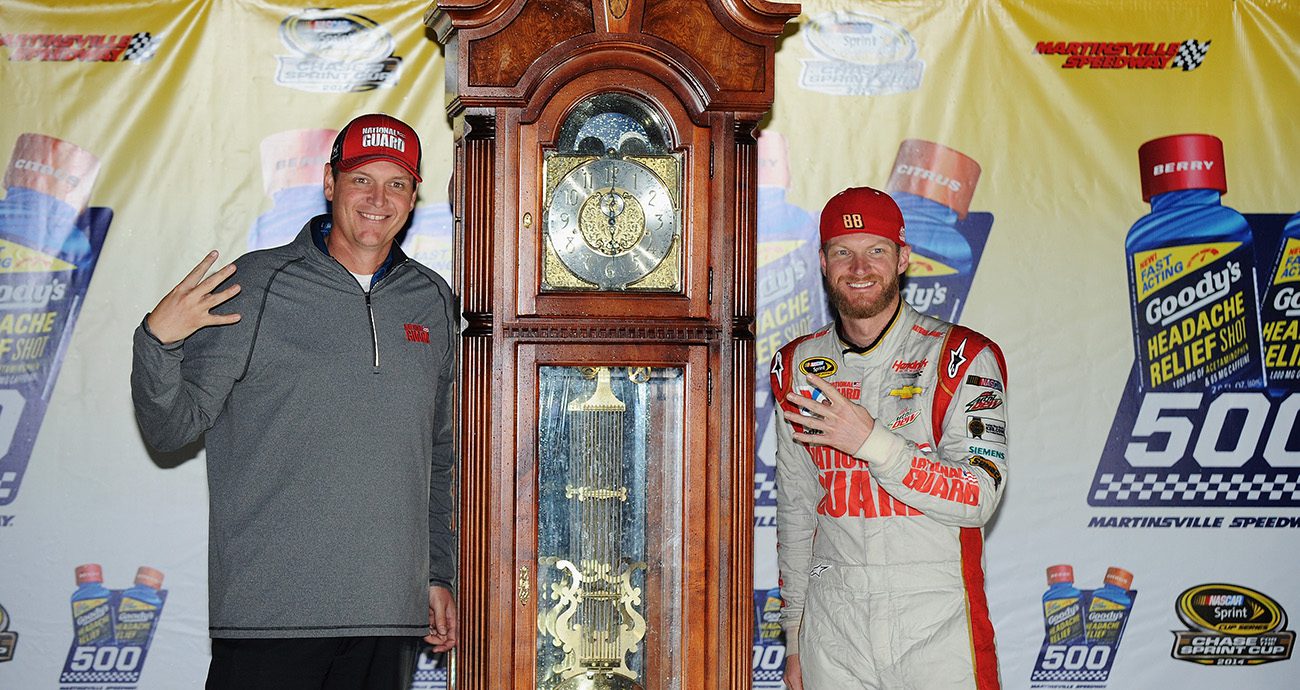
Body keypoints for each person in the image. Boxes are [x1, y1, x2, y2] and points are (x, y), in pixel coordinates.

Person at [131, 113, 459, 689]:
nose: (377, 198)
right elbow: (171, 428)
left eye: (397, 183)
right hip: (269, 617)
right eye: (361, 179)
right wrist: (159, 342)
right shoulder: (254, 285)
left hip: (388, 614)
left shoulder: (432, 300)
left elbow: (439, 458)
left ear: (413, 197)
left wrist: (437, 575)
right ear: (330, 185)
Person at [771, 186, 1008, 689]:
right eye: (843, 252)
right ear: (822, 261)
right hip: (834, 637)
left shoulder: (961, 358)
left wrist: (872, 442)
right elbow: (796, 510)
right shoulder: (796, 367)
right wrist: (794, 638)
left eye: (875, 250)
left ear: (902, 258)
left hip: (938, 633)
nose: (859, 268)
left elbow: (979, 497)